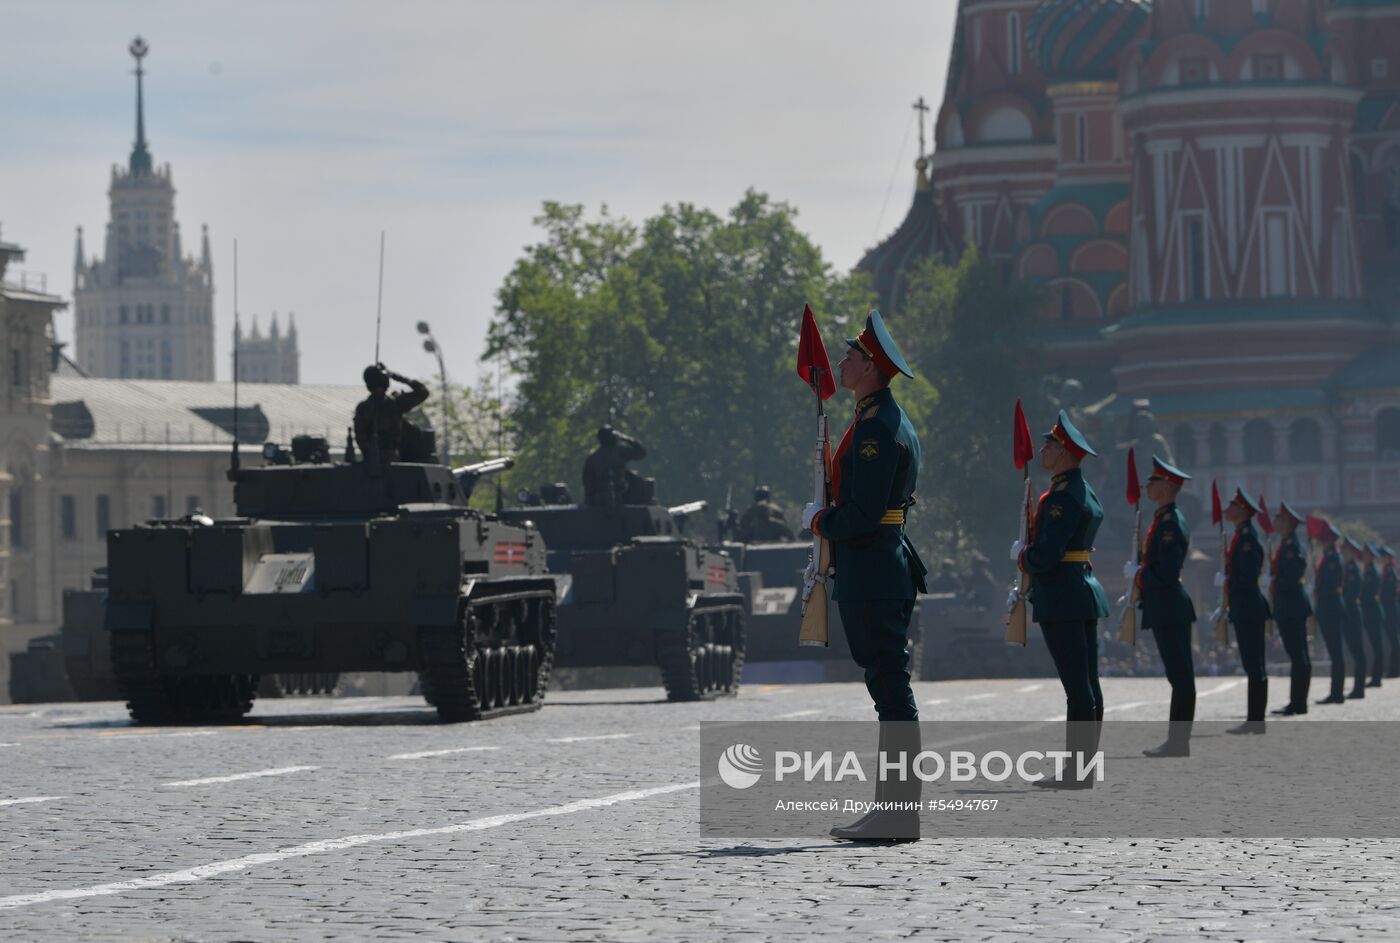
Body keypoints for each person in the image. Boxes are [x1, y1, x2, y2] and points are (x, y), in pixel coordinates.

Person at [804, 310, 925, 842]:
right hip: (881, 565)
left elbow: (865, 512)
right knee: (889, 688)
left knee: (890, 690)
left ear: (871, 367)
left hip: (873, 567)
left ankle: (897, 813)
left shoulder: (876, 427)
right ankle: (895, 810)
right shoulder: (879, 418)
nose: (842, 361)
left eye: (851, 355)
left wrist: (819, 519)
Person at [1013, 410, 1109, 788]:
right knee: (1088, 681)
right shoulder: (1082, 490)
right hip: (1080, 589)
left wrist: (1023, 555)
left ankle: (1078, 772)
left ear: (1066, 451)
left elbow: (1048, 554)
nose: (1043, 450)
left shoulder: (1061, 498)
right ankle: (1084, 769)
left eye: (1050, 445)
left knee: (1077, 685)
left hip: (1063, 592)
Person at [1133, 456, 1197, 757]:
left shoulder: (1170, 522)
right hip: (1166, 604)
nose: (1148, 485)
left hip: (1170, 604)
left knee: (1181, 676)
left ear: (1169, 486)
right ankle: (1177, 740)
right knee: (1178, 675)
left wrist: (1139, 575)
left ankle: (1178, 742)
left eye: (1154, 481)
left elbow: (1167, 570)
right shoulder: (1163, 518)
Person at [1222, 489, 1270, 733]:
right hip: (1245, 605)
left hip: (1249, 605)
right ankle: (1255, 719)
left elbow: (1248, 575)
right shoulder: (1241, 535)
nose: (1227, 509)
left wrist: (1228, 581)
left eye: (1231, 505)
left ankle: (1256, 720)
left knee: (1254, 664)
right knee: (1252, 664)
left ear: (1242, 510)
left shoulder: (1248, 538)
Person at [1269, 502, 1313, 715]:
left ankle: (1298, 702)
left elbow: (1293, 575)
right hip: (1290, 604)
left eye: (1279, 518)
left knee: (1298, 655)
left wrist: (1275, 582)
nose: (1275, 521)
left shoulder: (1291, 546)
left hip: (1292, 605)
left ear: (1287, 523)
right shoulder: (1286, 543)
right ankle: (1297, 702)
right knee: (1297, 654)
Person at [353, 363, 430, 466]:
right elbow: (422, 392)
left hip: (375, 460)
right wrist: (395, 376)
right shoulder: (396, 404)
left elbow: (360, 436)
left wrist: (369, 454)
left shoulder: (363, 408)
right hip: (389, 460)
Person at [1313, 520, 1347, 705]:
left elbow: (1332, 584)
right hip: (1328, 607)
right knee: (1334, 652)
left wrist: (1318, 589)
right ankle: (1336, 692)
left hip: (1331, 607)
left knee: (1336, 652)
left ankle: (1337, 692)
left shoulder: (1333, 558)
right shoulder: (1328, 556)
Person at [581, 425, 647, 508]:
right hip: (617, 496)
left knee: (634, 477)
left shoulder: (592, 458)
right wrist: (625, 438)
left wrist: (589, 499)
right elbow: (641, 452)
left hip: (604, 498)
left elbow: (587, 482)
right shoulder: (619, 452)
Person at [1340, 536, 1368, 699]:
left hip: (1352, 614)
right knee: (1355, 651)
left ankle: (1359, 689)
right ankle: (1358, 688)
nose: (1342, 552)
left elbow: (1351, 594)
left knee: (1358, 652)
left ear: (1350, 551)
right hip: (1348, 613)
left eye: (1344, 549)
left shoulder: (1353, 570)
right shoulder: (1347, 568)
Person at [1361, 543, 1386, 688]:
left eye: (1366, 554)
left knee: (1377, 646)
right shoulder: (1368, 571)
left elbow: (1368, 595)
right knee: (1375, 646)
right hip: (1370, 612)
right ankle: (1376, 677)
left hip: (1373, 613)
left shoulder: (1372, 572)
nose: (1363, 557)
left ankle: (1377, 677)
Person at [1383, 546, 1400, 679]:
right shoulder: (1387, 571)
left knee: (1394, 641)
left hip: (1391, 609)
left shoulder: (1390, 572)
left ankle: (1395, 670)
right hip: (1388, 609)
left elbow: (1389, 593)